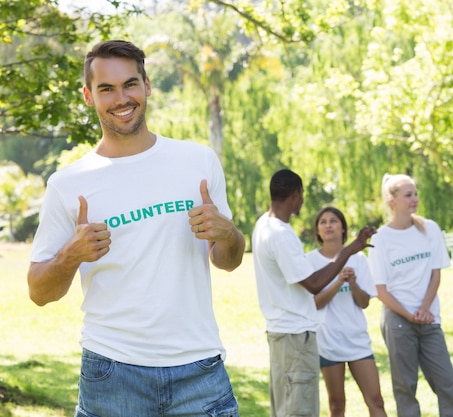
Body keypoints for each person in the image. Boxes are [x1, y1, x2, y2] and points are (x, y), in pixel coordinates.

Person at [27, 40, 246, 417]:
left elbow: (229, 261)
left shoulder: (197, 161)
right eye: (106, 89)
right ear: (88, 96)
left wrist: (228, 234)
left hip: (199, 368)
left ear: (147, 85)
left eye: (130, 84)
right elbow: (39, 292)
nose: (121, 98)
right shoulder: (67, 183)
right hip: (112, 374)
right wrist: (70, 255)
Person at [251, 169, 376, 417]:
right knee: (298, 410)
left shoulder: (262, 226)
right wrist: (349, 250)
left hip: (281, 333)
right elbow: (314, 284)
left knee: (285, 408)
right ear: (296, 195)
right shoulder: (280, 234)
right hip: (295, 336)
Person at [367, 173, 453, 417]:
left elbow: (435, 275)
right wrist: (410, 315)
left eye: (415, 194)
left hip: (429, 317)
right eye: (408, 195)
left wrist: (424, 309)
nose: (415, 199)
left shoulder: (429, 229)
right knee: (405, 386)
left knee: (446, 381)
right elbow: (381, 291)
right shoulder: (380, 239)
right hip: (398, 320)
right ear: (391, 200)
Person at [305, 206, 387, 417]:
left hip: (357, 340)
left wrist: (353, 284)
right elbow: (315, 304)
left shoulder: (358, 259)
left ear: (342, 228)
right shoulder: (310, 261)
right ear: (318, 231)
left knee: (376, 400)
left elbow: (364, 303)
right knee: (337, 404)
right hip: (328, 341)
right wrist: (338, 280)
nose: (328, 225)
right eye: (323, 222)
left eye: (333, 221)